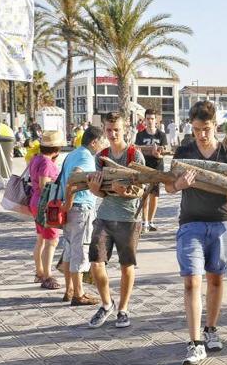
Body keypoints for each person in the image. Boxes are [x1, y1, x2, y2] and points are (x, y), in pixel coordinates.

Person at [164, 101, 227, 365]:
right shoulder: (184, 151)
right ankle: (194, 342)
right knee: (191, 281)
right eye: (197, 129)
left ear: (216, 126)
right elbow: (168, 188)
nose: (201, 134)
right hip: (190, 224)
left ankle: (211, 329)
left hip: (221, 224)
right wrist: (179, 183)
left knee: (216, 280)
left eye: (207, 129)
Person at [86, 112, 146, 329]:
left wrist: (125, 192)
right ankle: (106, 303)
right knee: (96, 263)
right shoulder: (100, 156)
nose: (112, 134)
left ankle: (123, 308)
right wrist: (95, 190)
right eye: (109, 130)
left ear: (125, 129)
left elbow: (141, 191)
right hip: (104, 216)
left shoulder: (134, 155)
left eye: (117, 130)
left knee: (126, 265)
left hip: (128, 218)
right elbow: (101, 192)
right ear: (104, 129)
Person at [59, 126, 105, 306]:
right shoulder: (86, 156)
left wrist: (66, 204)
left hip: (70, 210)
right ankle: (79, 294)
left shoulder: (73, 153)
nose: (103, 145)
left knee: (70, 249)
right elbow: (74, 177)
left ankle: (69, 289)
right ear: (94, 142)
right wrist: (70, 201)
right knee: (80, 250)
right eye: (102, 141)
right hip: (80, 208)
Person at [28, 130, 65, 290]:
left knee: (41, 239)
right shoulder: (46, 163)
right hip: (46, 205)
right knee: (52, 241)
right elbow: (44, 185)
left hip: (35, 202)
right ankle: (47, 276)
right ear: (57, 149)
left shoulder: (36, 158)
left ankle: (39, 272)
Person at [135, 109, 168, 233]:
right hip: (144, 167)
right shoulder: (140, 135)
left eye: (152, 118)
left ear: (156, 120)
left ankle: (151, 221)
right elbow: (136, 151)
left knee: (154, 195)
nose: (150, 121)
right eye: (148, 118)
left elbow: (164, 152)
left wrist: (157, 155)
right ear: (145, 120)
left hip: (157, 168)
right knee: (144, 195)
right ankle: (144, 221)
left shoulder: (161, 135)